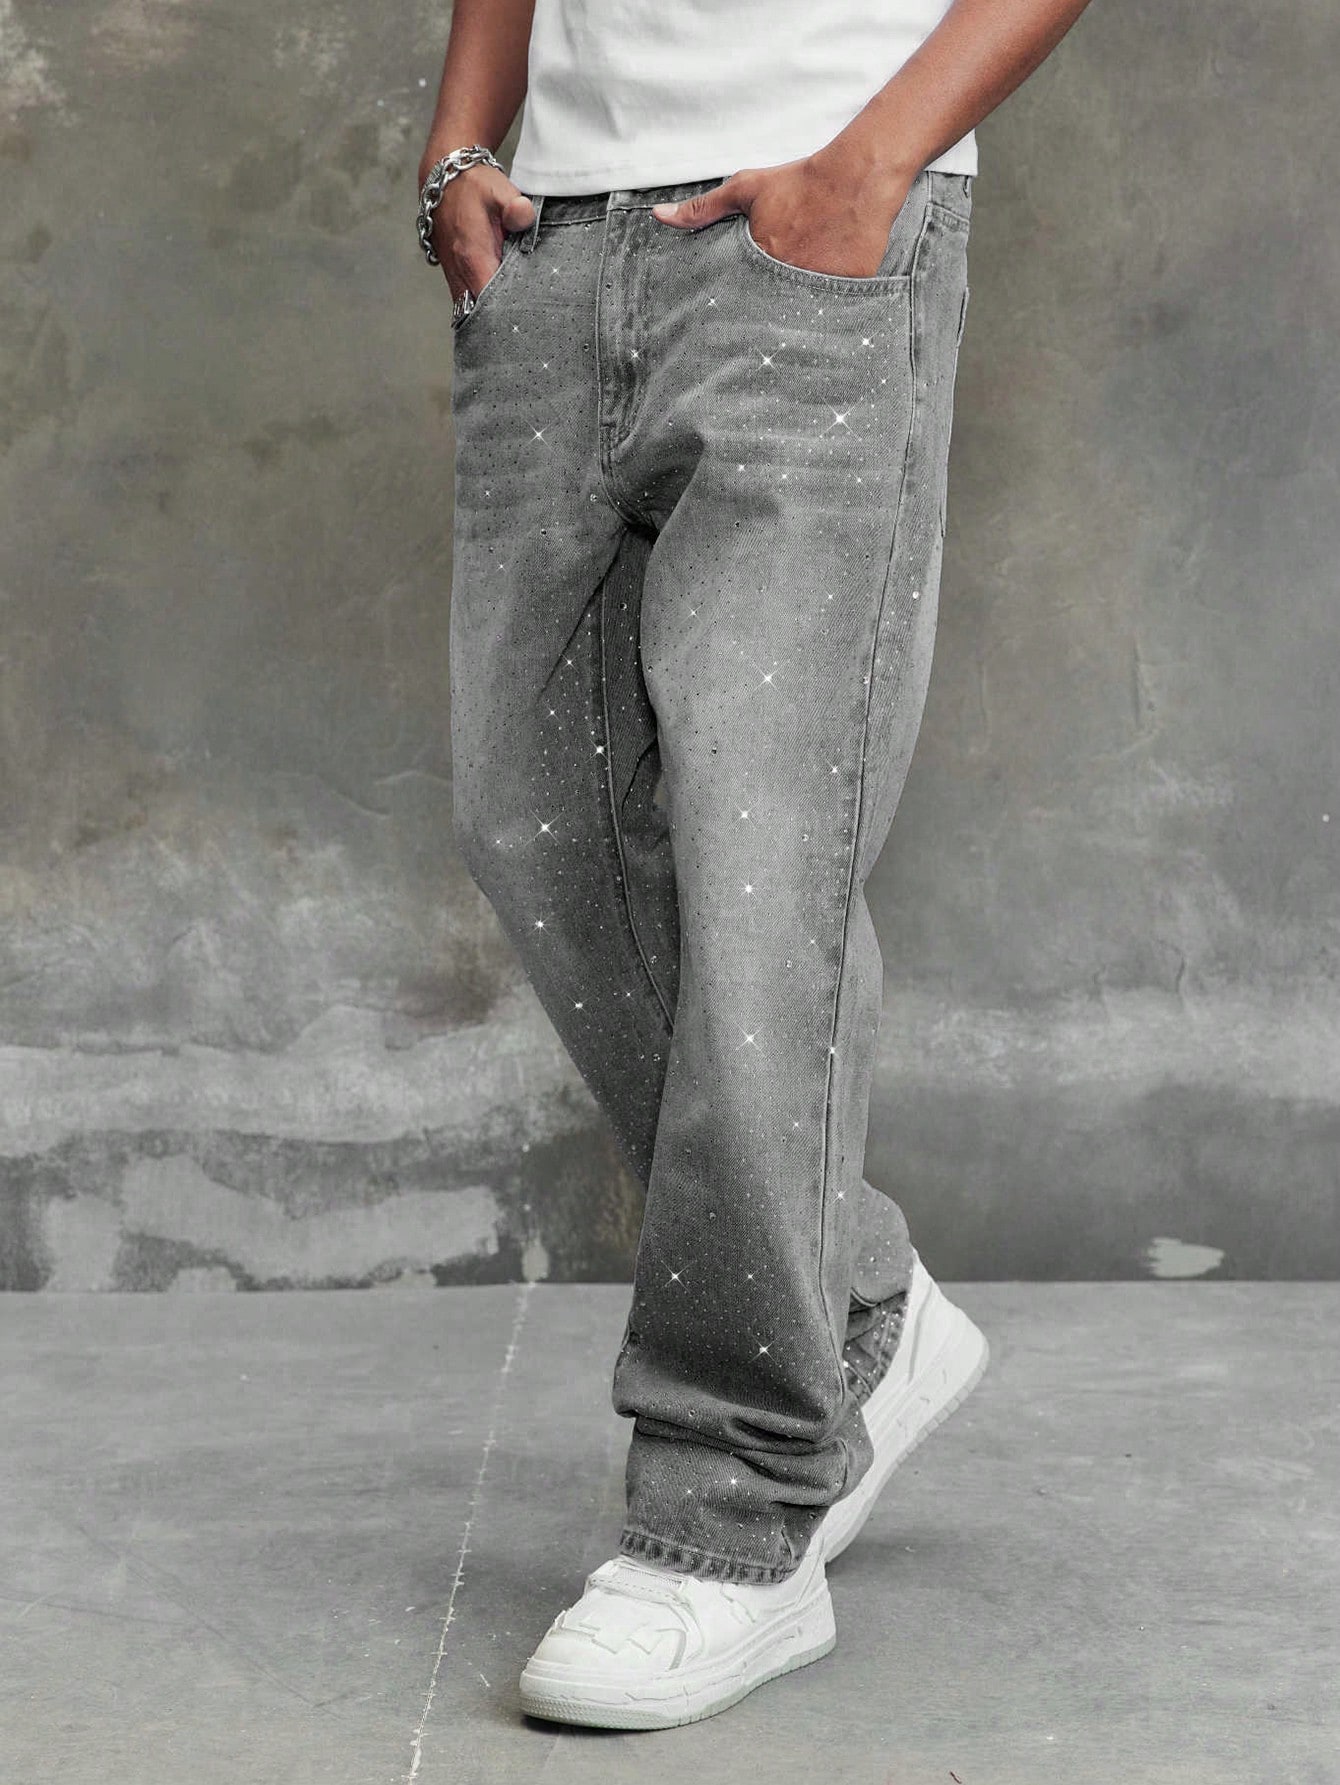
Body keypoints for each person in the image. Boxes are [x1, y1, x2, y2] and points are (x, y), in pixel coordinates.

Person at [417, 0, 1093, 1731]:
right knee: (533, 819)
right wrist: (464, 141)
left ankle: (730, 1510)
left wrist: (873, 163)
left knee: (756, 867)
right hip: (552, 237)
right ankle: (857, 1305)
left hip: (816, 217)